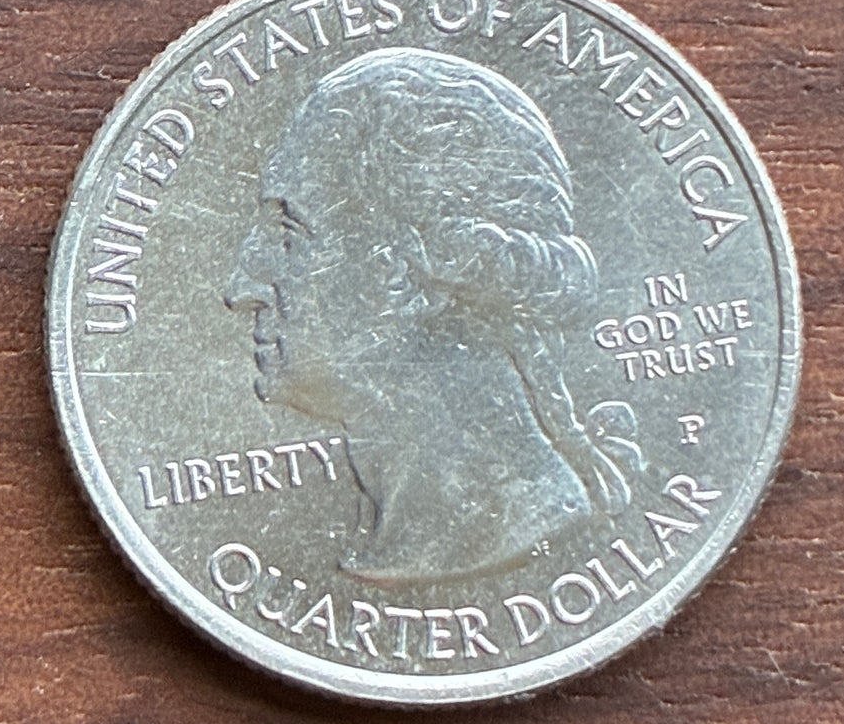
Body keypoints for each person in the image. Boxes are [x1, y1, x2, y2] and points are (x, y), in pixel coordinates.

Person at [225, 47, 639, 584]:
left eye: (289, 234)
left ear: (420, 266)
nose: (240, 290)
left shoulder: (502, 527)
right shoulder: (433, 534)